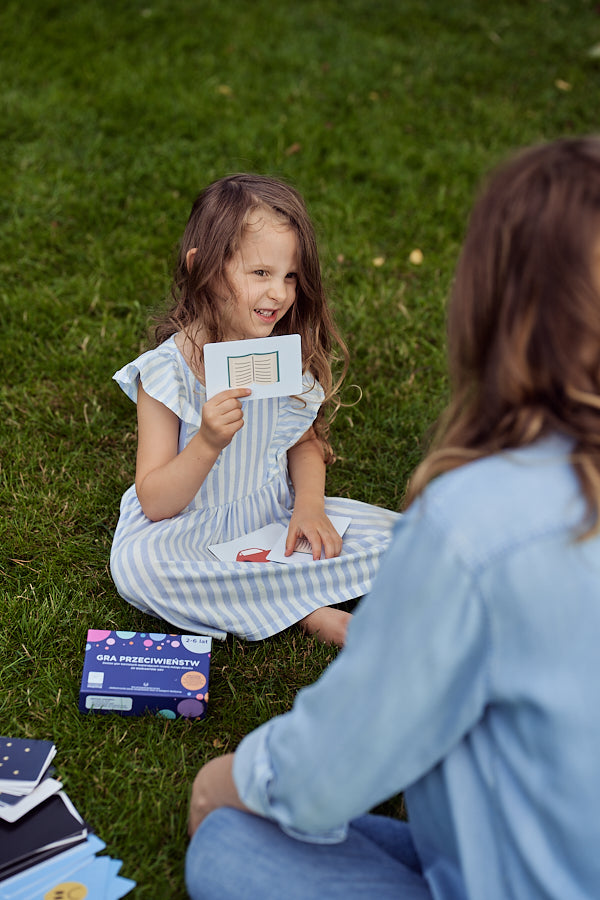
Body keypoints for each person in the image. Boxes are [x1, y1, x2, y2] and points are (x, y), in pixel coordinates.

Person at [185, 136, 600, 899]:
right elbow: (162, 497)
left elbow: (327, 768)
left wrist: (227, 779)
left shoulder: (474, 525)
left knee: (228, 844)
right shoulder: (177, 367)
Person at [110, 174, 399, 646]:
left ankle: (266, 593)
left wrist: (307, 507)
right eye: (261, 273)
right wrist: (206, 442)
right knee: (137, 571)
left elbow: (303, 440)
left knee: (410, 539)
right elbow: (156, 501)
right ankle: (308, 610)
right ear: (202, 268)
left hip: (273, 517)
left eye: (289, 276)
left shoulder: (280, 354)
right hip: (187, 532)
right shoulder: (166, 374)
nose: (280, 294)